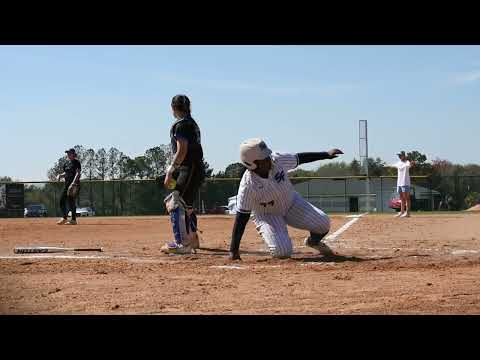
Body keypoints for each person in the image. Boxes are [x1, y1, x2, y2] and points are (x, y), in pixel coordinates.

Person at [229, 138, 344, 260]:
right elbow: (241, 218)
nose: (269, 159)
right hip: (268, 215)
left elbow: (300, 158)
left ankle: (313, 242)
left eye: (268, 155)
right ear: (251, 163)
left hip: (291, 203)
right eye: (264, 158)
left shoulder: (277, 159)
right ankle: (277, 237)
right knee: (282, 252)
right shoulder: (248, 186)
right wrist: (233, 250)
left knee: (323, 223)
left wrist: (326, 154)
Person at [161, 95, 205, 254]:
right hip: (196, 168)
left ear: (173, 108)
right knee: (188, 205)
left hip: (188, 168)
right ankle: (193, 239)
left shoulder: (181, 125)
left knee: (175, 201)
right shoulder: (192, 123)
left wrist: (171, 169)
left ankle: (182, 243)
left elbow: (182, 149)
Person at [57, 148, 81, 225]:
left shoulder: (76, 162)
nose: (68, 154)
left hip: (74, 185)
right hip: (67, 184)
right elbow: (66, 173)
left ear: (73, 154)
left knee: (71, 201)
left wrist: (73, 183)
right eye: (67, 153)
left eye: (69, 153)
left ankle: (73, 220)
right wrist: (60, 175)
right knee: (61, 201)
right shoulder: (66, 163)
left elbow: (78, 173)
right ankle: (64, 218)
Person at [390, 151, 415, 218]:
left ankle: (408, 213)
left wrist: (411, 162)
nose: (399, 157)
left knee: (407, 198)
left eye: (400, 155)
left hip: (405, 183)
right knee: (401, 198)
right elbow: (392, 166)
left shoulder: (407, 162)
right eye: (399, 155)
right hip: (399, 183)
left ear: (404, 156)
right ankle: (401, 212)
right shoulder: (398, 163)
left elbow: (411, 164)